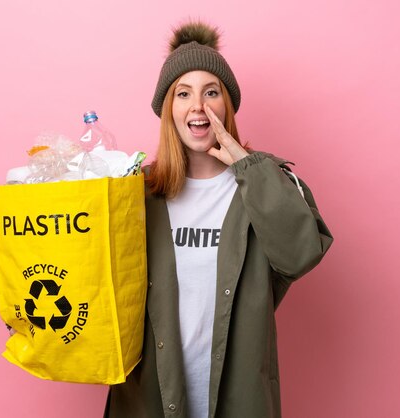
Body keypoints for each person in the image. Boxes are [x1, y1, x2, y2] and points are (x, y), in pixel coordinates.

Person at [104, 21, 333, 418]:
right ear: (168, 110)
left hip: (239, 399)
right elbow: (98, 281)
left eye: (211, 92)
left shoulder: (265, 184)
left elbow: (300, 255)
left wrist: (249, 168)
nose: (198, 106)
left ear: (226, 105)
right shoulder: (136, 193)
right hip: (150, 399)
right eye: (183, 94)